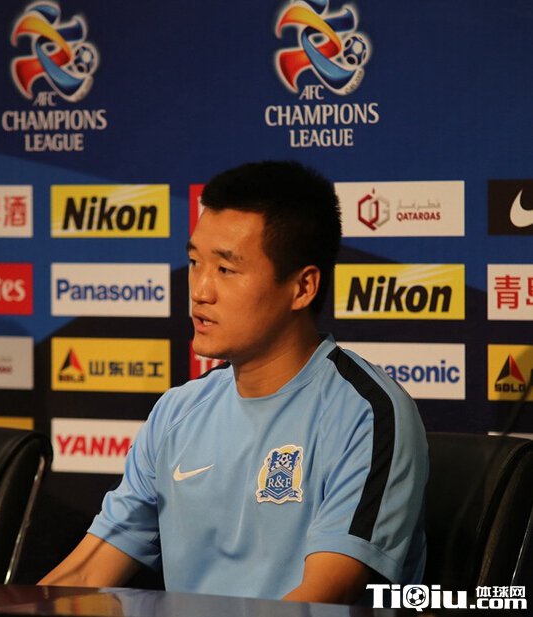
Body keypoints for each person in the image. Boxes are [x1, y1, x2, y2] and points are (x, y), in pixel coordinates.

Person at [40, 161, 428, 604]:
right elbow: (88, 569)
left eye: (225, 269)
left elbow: (323, 597)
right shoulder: (178, 411)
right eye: (194, 263)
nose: (200, 291)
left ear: (302, 287)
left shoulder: (365, 414)